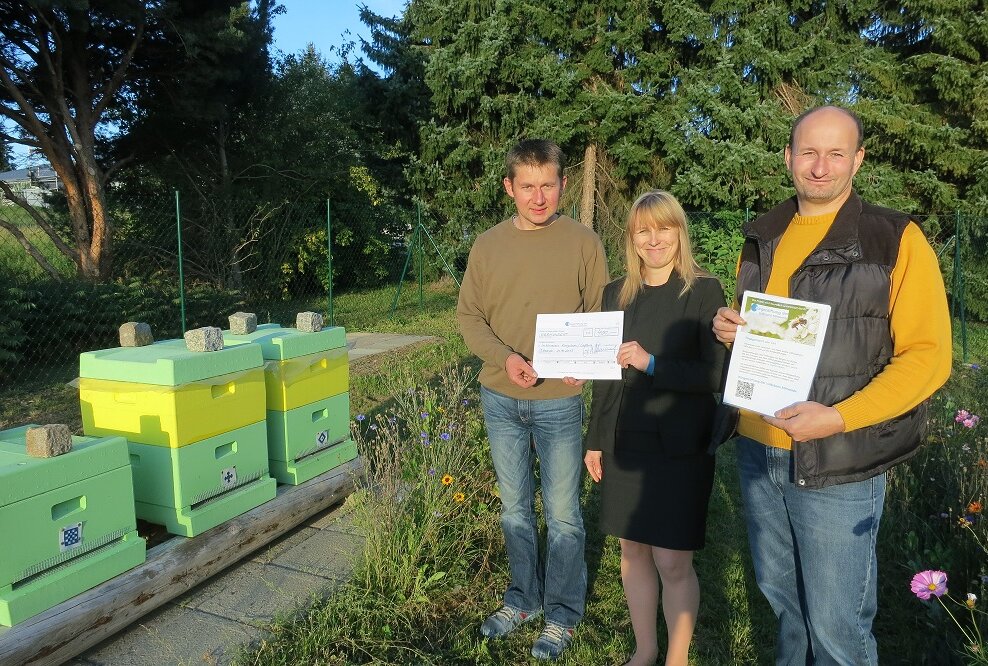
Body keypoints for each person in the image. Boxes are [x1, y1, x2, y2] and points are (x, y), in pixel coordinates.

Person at [712, 105, 952, 664]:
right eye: (809, 153)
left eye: (836, 153)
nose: (821, 167)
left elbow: (930, 358)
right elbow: (765, 326)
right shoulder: (763, 232)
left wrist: (838, 417)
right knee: (787, 609)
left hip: (839, 459)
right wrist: (732, 329)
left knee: (838, 630)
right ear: (789, 157)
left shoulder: (895, 239)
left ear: (858, 160)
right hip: (759, 452)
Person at [457, 138, 608, 660]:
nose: (538, 197)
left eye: (548, 186)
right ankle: (522, 597)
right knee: (516, 509)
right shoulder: (487, 245)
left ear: (563, 185)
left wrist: (587, 367)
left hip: (559, 403)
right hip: (500, 396)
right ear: (509, 188)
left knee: (564, 513)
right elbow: (469, 318)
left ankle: (562, 613)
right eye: (528, 187)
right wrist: (505, 359)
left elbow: (598, 319)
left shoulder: (584, 243)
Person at [583, 191, 727, 666]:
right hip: (626, 441)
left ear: (679, 232)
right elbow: (605, 378)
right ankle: (645, 650)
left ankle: (677, 659)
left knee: (672, 560)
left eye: (664, 228)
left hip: (681, 446)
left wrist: (652, 364)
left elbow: (714, 376)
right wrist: (595, 441)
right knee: (633, 552)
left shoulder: (705, 291)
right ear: (632, 239)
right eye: (643, 231)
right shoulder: (614, 293)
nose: (655, 239)